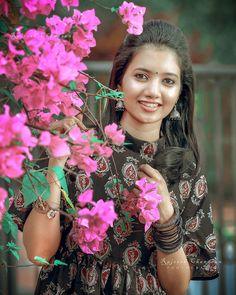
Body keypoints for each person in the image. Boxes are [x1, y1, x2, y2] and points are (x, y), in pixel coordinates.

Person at [9, 19, 219, 295]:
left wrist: (167, 217)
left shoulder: (187, 173)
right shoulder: (76, 146)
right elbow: (38, 253)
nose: (153, 91)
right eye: (141, 76)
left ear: (180, 92)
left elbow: (177, 288)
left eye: (168, 81)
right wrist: (55, 167)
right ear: (119, 79)